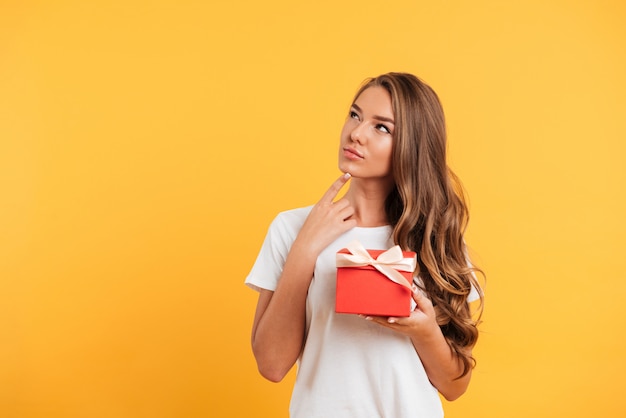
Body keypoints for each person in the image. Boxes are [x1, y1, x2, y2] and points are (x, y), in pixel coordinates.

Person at [245, 72, 484, 417]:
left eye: (381, 127)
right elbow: (271, 365)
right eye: (355, 115)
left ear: (412, 147)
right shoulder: (292, 227)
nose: (355, 133)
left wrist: (425, 330)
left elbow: (455, 387)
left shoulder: (435, 236)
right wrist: (305, 250)